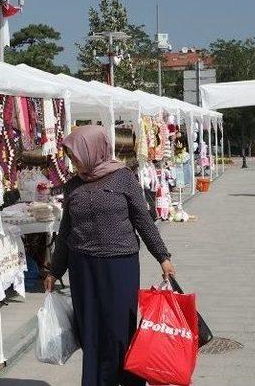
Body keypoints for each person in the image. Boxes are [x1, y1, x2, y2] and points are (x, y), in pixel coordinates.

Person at [44, 126, 175, 386]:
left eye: (76, 154)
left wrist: (163, 257)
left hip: (119, 266)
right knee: (90, 332)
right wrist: (55, 271)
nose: (73, 160)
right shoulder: (73, 185)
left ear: (93, 149)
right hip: (83, 270)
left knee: (118, 331)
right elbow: (66, 229)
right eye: (71, 155)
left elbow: (144, 221)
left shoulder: (124, 178)